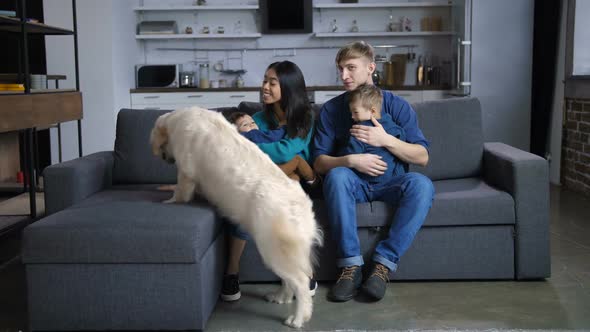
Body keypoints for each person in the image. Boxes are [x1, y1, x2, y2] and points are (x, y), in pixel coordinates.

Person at [312, 41, 435, 302]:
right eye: (340, 69)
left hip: (391, 183)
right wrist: (350, 160)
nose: (344, 76)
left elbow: (422, 156)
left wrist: (386, 139)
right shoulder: (331, 110)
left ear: (370, 68)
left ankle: (382, 266)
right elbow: (319, 163)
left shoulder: (397, 105)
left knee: (422, 185)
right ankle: (350, 267)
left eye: (350, 68)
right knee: (336, 175)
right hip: (353, 182)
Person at [221, 60, 317, 302]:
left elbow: (288, 151)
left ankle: (305, 272)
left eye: (272, 83)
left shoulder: (305, 118)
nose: (265, 87)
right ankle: (231, 273)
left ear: (288, 87)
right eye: (265, 81)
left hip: (297, 181)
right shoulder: (258, 118)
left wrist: (255, 146)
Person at [228, 111, 317, 184]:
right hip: (267, 171)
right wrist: (284, 127)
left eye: (253, 122)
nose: (251, 125)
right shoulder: (251, 134)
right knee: (296, 159)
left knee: (293, 177)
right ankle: (314, 181)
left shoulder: (239, 140)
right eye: (245, 125)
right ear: (236, 131)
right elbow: (272, 137)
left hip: (262, 171)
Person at [343, 84, 406, 184]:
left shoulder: (360, 130)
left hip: (366, 180)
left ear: (372, 111)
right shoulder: (391, 123)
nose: (352, 116)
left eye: (355, 112)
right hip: (391, 180)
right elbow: (402, 137)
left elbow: (352, 152)